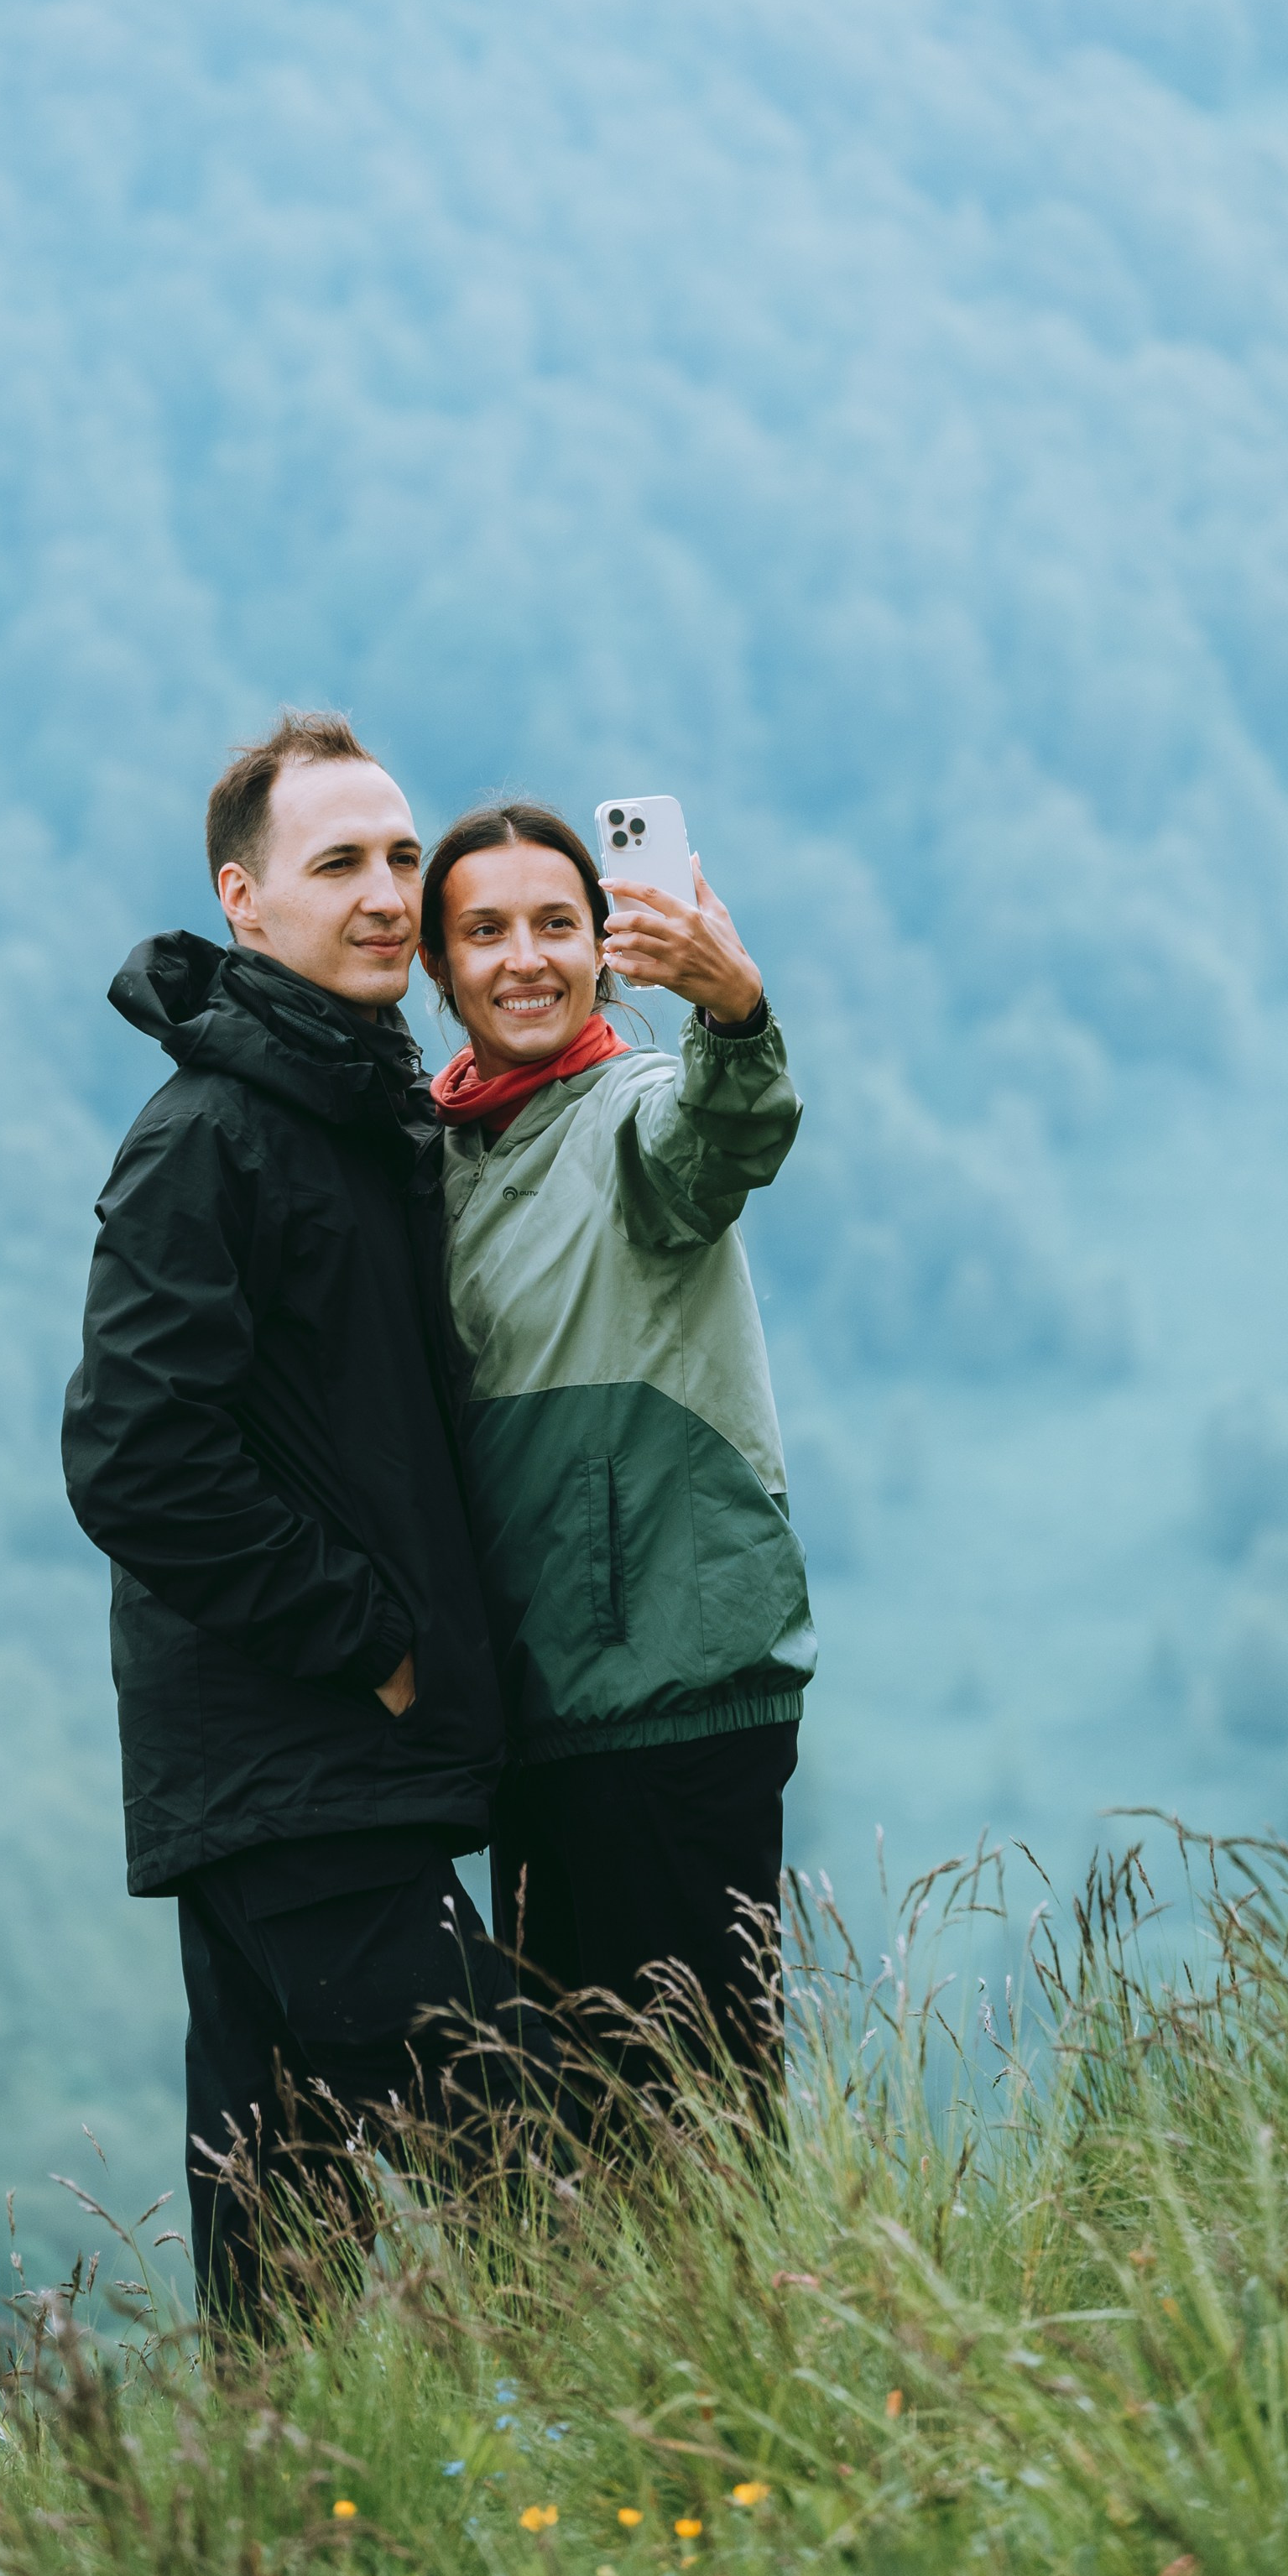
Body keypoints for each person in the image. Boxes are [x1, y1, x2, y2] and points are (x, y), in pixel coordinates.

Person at [62, 713, 540, 2320]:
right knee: (540, 2160)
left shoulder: (347, 1109)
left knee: (285, 2243)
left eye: (402, 857)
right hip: (299, 1763)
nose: (388, 893)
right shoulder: (208, 1140)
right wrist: (375, 1646)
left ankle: (277, 2531)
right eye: (337, 862)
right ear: (242, 901)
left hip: (301, 1771)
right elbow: (133, 1455)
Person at [418, 801, 815, 2080]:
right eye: (483, 931)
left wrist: (735, 1019)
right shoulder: (437, 1155)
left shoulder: (634, 1108)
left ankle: (762, 2296)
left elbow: (721, 1138)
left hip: (672, 1696)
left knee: (693, 2106)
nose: (521, 958)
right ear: (436, 967)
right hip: (538, 1714)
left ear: (603, 946)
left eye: (554, 924)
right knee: (584, 2123)